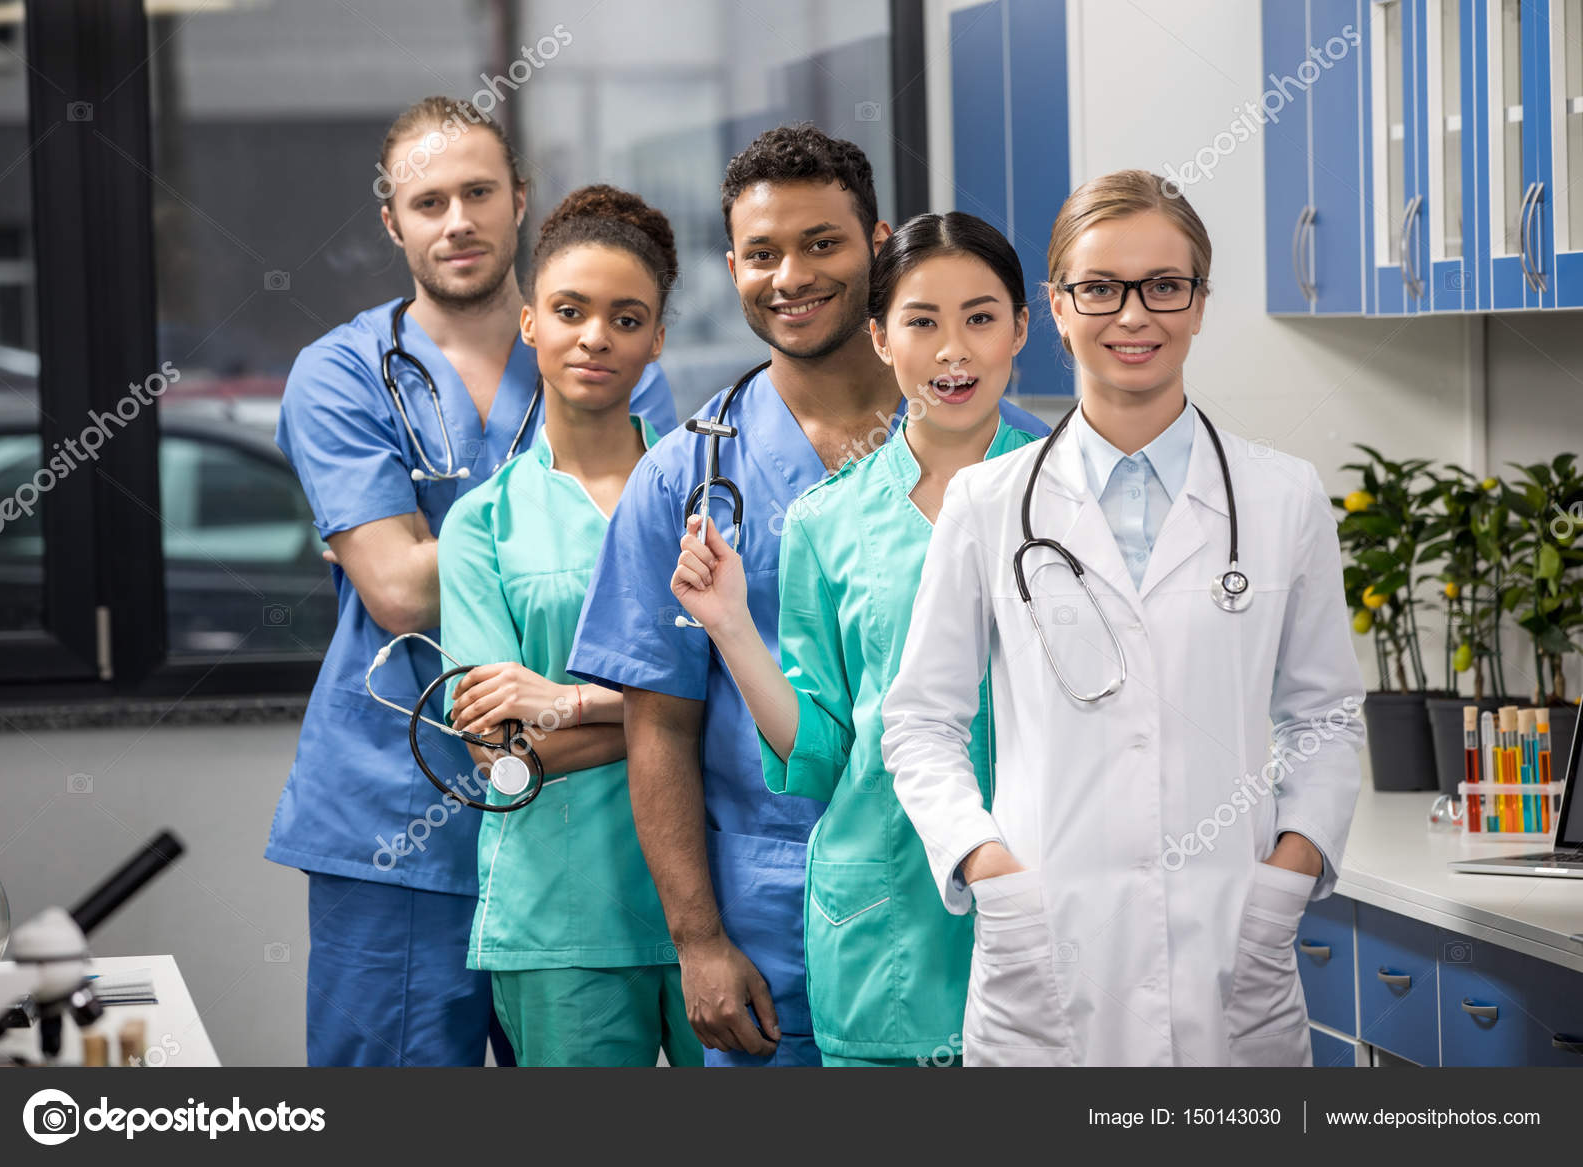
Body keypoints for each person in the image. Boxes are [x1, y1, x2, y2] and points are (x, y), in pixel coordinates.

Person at [567, 125, 1048, 1066]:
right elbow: (657, 723)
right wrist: (699, 941)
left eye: (821, 244)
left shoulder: (1029, 463)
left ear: (876, 247)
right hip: (769, 917)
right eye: (761, 253)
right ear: (734, 268)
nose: (790, 275)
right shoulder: (683, 479)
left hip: (1001, 891)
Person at [881, 170, 1365, 1068]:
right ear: (1056, 309)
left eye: (1163, 286)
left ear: (1198, 303)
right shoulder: (990, 503)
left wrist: (1286, 877)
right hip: (1049, 954)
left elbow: (1325, 717)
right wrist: (986, 864)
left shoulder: (1282, 495)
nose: (1133, 316)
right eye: (1100, 288)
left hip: (1234, 954)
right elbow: (919, 721)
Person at [268, 96, 675, 1067]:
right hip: (399, 813)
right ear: (392, 222)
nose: (457, 220)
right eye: (429, 200)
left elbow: (657, 572)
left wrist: (424, 539)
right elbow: (400, 595)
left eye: (479, 192)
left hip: (589, 805)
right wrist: (527, 527)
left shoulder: (601, 341)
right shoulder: (339, 374)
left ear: (519, 199)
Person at [434, 185, 701, 1067]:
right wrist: (680, 715)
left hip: (716, 900)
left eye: (627, 318)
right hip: (561, 912)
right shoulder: (482, 524)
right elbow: (505, 758)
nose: (596, 337)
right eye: (570, 311)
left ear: (657, 339)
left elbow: (769, 700)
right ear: (528, 324)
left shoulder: (707, 495)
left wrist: (569, 699)